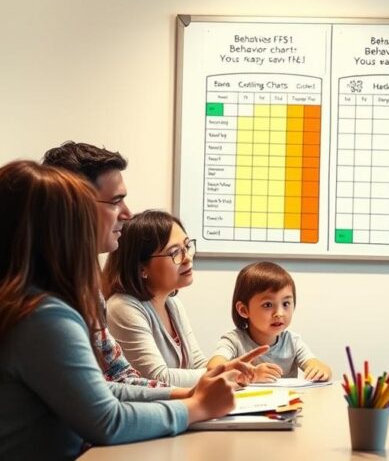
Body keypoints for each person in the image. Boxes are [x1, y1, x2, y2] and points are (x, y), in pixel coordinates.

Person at [0, 161, 241, 461]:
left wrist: (183, 394)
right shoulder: (37, 317)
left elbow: (96, 390)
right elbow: (107, 421)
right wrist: (196, 409)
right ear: (55, 235)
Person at [42, 141, 256, 389]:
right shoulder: (107, 306)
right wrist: (199, 399)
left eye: (187, 247)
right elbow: (121, 394)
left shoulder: (98, 294)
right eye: (116, 201)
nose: (127, 213)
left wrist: (214, 382)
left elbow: (121, 380)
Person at [105, 210, 263, 387]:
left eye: (187, 247)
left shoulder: (172, 303)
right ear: (141, 268)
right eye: (175, 253)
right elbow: (157, 378)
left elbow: (196, 364)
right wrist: (223, 372)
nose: (188, 258)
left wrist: (231, 371)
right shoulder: (122, 307)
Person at [207, 261, 332, 381]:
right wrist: (252, 375)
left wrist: (321, 371)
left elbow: (320, 366)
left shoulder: (293, 342)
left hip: (288, 401)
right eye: (267, 305)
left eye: (286, 303)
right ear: (244, 310)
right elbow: (213, 369)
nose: (279, 313)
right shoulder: (234, 340)